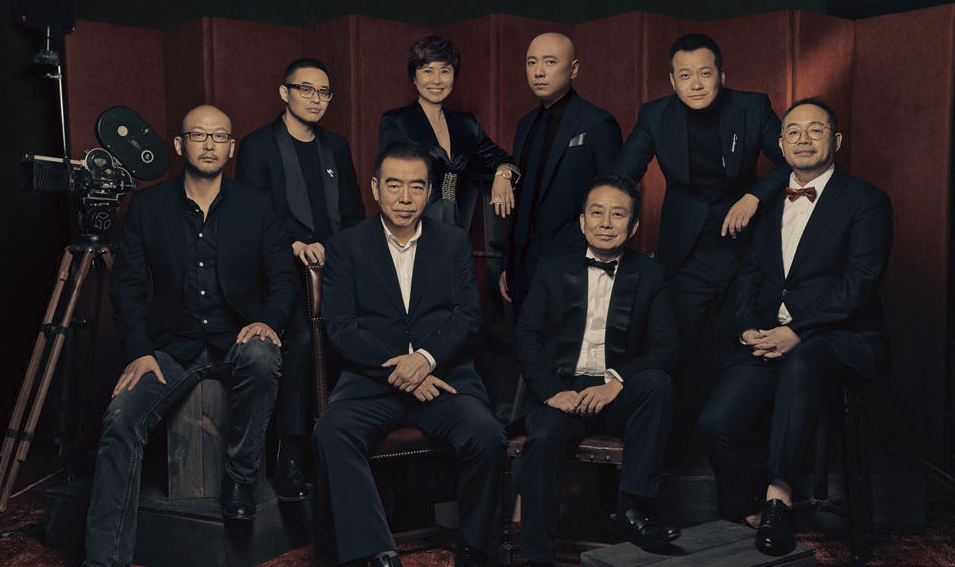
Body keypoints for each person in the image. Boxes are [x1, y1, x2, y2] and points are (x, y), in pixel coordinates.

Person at [83, 105, 298, 567]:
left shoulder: (257, 204)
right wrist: (139, 352)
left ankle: (241, 477)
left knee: (263, 357)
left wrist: (267, 321)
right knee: (119, 420)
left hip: (236, 340)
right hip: (170, 348)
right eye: (198, 135)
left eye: (219, 136)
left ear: (231, 148)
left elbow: (284, 279)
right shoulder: (147, 206)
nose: (209, 144)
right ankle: (103, 561)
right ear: (180, 145)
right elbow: (128, 288)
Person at [698, 99, 892, 556]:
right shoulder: (766, 203)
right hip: (771, 335)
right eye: (793, 132)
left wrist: (798, 330)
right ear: (782, 145)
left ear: (836, 141)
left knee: (801, 363)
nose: (804, 139)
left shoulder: (867, 200)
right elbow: (748, 276)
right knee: (714, 422)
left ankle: (779, 498)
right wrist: (749, 328)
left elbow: (860, 282)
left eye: (815, 130)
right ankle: (745, 506)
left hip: (838, 337)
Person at [312, 140, 505, 567]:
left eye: (416, 186)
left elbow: (468, 315)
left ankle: (474, 549)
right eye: (394, 185)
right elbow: (341, 328)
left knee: (488, 436)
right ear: (375, 187)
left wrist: (426, 360)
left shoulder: (453, 242)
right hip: (372, 384)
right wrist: (404, 369)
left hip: (443, 380)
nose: (405, 198)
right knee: (331, 432)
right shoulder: (346, 245)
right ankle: (377, 553)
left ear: (430, 191)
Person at [611, 33, 790, 462]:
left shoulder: (752, 107)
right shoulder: (655, 115)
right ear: (672, 81)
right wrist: (610, 224)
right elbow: (622, 176)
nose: (696, 83)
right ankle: (681, 452)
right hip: (685, 248)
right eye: (685, 75)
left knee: (742, 346)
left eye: (705, 73)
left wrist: (754, 197)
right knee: (682, 347)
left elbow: (792, 160)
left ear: (722, 76)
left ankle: (744, 454)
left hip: (746, 245)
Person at [515, 176, 680, 565]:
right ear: (582, 220)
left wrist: (616, 382)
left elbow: (668, 348)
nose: (606, 223)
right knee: (542, 435)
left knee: (657, 384)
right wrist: (553, 391)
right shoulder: (552, 268)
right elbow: (527, 337)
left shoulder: (651, 274)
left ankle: (632, 512)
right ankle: (536, 554)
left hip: (616, 395)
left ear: (633, 226)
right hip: (564, 391)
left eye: (618, 214)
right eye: (597, 213)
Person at [236, 57, 365, 501]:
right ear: (284, 92)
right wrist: (294, 245)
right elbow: (253, 215)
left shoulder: (336, 147)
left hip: (336, 268)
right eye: (305, 89)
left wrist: (344, 254)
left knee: (356, 334)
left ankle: (346, 445)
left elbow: (353, 213)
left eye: (323, 92)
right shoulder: (257, 146)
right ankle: (289, 452)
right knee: (304, 341)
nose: (315, 99)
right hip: (281, 271)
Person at [499, 32, 622, 311]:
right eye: (531, 62)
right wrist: (508, 263)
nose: (538, 72)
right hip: (522, 267)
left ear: (573, 69)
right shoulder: (525, 124)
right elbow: (521, 201)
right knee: (522, 337)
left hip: (574, 265)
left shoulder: (597, 123)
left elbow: (615, 200)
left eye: (550, 62)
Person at [379, 35, 518, 229]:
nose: (436, 80)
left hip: (458, 226)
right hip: (413, 226)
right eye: (428, 71)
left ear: (454, 76)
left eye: (444, 71)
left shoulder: (467, 124)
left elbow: (503, 159)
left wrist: (503, 174)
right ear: (414, 77)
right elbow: (387, 183)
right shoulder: (397, 121)